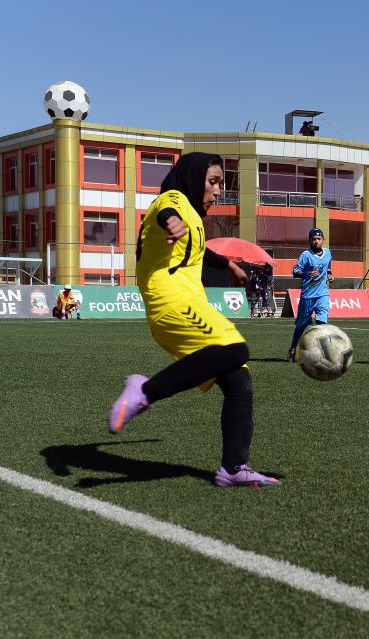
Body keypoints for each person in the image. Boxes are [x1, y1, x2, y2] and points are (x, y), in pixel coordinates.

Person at [108, 152, 279, 488]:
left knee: (238, 380)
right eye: (213, 182)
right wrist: (171, 221)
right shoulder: (173, 200)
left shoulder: (195, 219)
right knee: (235, 350)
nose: (218, 191)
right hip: (171, 303)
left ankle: (233, 468)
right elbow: (165, 213)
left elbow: (200, 251)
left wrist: (229, 265)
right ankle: (144, 390)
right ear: (193, 176)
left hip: (190, 304)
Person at [289, 228, 333, 361]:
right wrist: (307, 274)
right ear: (309, 240)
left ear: (323, 240)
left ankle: (322, 353)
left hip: (322, 294)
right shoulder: (305, 255)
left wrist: (330, 274)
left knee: (322, 323)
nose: (316, 241)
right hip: (307, 295)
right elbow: (295, 272)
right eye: (313, 239)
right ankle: (293, 349)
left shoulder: (328, 253)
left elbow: (328, 265)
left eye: (318, 239)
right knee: (302, 325)